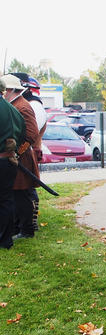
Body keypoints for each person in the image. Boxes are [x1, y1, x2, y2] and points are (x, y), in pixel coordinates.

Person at [0, 74, 40, 240]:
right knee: (14, 195)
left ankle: (26, 229)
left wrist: (16, 152)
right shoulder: (15, 104)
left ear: (10, 90)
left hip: (20, 157)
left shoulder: (22, 106)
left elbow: (31, 134)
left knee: (21, 196)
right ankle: (17, 227)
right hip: (14, 156)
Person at [10, 73, 47, 234]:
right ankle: (20, 225)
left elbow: (31, 134)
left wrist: (17, 152)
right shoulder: (19, 104)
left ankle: (28, 226)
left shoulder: (27, 106)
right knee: (19, 193)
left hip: (24, 155)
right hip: (20, 155)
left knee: (25, 192)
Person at [0, 79, 25, 249]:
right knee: (6, 200)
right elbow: (22, 135)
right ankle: (5, 240)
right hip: (8, 161)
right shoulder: (14, 111)